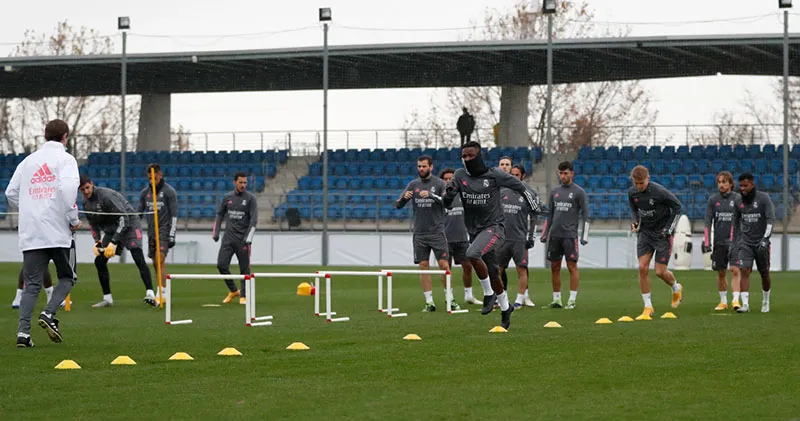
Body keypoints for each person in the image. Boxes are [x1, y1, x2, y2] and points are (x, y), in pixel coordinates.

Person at [443, 141, 541, 329]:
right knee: (494, 272)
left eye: (471, 155)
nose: (467, 159)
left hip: (495, 228)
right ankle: (505, 308)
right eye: (464, 156)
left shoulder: (495, 175)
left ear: (479, 156)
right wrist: (448, 196)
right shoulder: (459, 175)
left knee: (472, 254)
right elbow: (447, 201)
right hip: (475, 230)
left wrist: (534, 205)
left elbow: (520, 187)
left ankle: (488, 294)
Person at [5, 119, 81, 347]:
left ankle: (23, 334)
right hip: (57, 230)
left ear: (45, 135)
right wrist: (73, 218)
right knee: (68, 277)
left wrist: (31, 207)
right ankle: (48, 313)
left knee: (31, 284)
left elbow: (11, 192)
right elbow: (68, 190)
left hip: (31, 231)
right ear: (65, 136)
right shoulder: (66, 160)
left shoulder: (28, 162)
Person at [80, 175, 156, 307]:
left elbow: (124, 218)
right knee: (99, 261)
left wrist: (114, 242)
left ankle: (150, 293)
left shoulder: (106, 196)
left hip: (130, 223)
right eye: (82, 190)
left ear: (92, 184)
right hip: (111, 229)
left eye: (87, 187)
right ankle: (107, 298)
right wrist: (97, 241)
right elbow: (92, 223)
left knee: (137, 255)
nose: (86, 192)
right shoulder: (86, 203)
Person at [395, 157, 459, 312]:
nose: (421, 169)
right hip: (419, 233)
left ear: (431, 167)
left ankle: (450, 298)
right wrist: (404, 198)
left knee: (444, 265)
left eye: (424, 166)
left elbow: (448, 204)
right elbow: (398, 205)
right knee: (424, 266)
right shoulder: (413, 184)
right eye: (419, 166)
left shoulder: (439, 184)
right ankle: (429, 302)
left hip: (437, 232)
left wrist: (431, 196)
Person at [627, 165, 684, 321]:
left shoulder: (660, 192)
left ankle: (676, 287)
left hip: (662, 234)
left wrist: (669, 228)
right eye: (636, 183)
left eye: (642, 183)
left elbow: (678, 207)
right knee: (642, 267)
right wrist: (635, 221)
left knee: (659, 272)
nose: (638, 187)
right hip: (645, 233)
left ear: (648, 179)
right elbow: (633, 208)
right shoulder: (632, 193)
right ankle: (648, 307)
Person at [540, 161, 589, 310]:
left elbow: (586, 215)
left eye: (566, 173)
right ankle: (557, 300)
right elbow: (550, 214)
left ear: (572, 173)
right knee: (554, 267)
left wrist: (584, 235)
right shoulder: (554, 191)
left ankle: (572, 300)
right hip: (555, 235)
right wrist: (545, 233)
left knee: (571, 266)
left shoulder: (579, 192)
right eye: (561, 173)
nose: (563, 176)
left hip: (569, 236)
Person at [731, 172, 774, 313]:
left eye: (746, 185)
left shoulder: (763, 198)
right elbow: (735, 222)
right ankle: (746, 305)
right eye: (741, 186)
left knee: (764, 273)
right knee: (744, 270)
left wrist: (765, 239)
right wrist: (736, 241)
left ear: (752, 184)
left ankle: (766, 301)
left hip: (761, 242)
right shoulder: (738, 201)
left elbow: (770, 220)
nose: (743, 188)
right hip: (746, 242)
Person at [498, 164, 539, 309]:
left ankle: (519, 300)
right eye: (511, 174)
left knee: (521, 269)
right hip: (502, 238)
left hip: (519, 238)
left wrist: (532, 237)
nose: (513, 177)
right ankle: (501, 300)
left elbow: (534, 216)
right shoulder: (501, 191)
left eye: (516, 175)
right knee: (498, 270)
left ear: (523, 176)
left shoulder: (530, 194)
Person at [213, 172, 258, 304]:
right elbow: (220, 214)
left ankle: (244, 295)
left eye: (245, 182)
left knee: (244, 269)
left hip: (243, 239)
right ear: (235, 182)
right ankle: (233, 290)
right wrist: (216, 232)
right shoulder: (227, 197)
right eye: (241, 182)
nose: (243, 185)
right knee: (221, 265)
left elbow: (254, 220)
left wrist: (248, 238)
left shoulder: (250, 199)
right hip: (228, 238)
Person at [439, 168, 482, 306]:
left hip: (463, 238)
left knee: (468, 266)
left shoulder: (464, 196)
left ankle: (468, 295)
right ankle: (449, 296)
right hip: (445, 239)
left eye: (450, 179)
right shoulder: (440, 198)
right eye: (445, 179)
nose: (448, 181)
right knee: (446, 269)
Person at [138, 163, 178, 305]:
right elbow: (139, 213)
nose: (152, 181)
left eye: (154, 177)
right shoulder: (145, 193)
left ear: (160, 175)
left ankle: (162, 293)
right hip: (151, 232)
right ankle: (162, 289)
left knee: (160, 259)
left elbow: (174, 215)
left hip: (164, 230)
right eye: (149, 178)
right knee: (155, 263)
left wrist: (172, 234)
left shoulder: (169, 192)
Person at [702, 171, 742, 311]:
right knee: (721, 272)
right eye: (719, 182)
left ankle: (736, 301)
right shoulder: (713, 200)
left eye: (724, 182)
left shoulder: (738, 198)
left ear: (730, 183)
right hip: (719, 242)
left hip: (735, 242)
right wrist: (707, 241)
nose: (721, 185)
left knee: (735, 270)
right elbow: (708, 222)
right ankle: (723, 301)